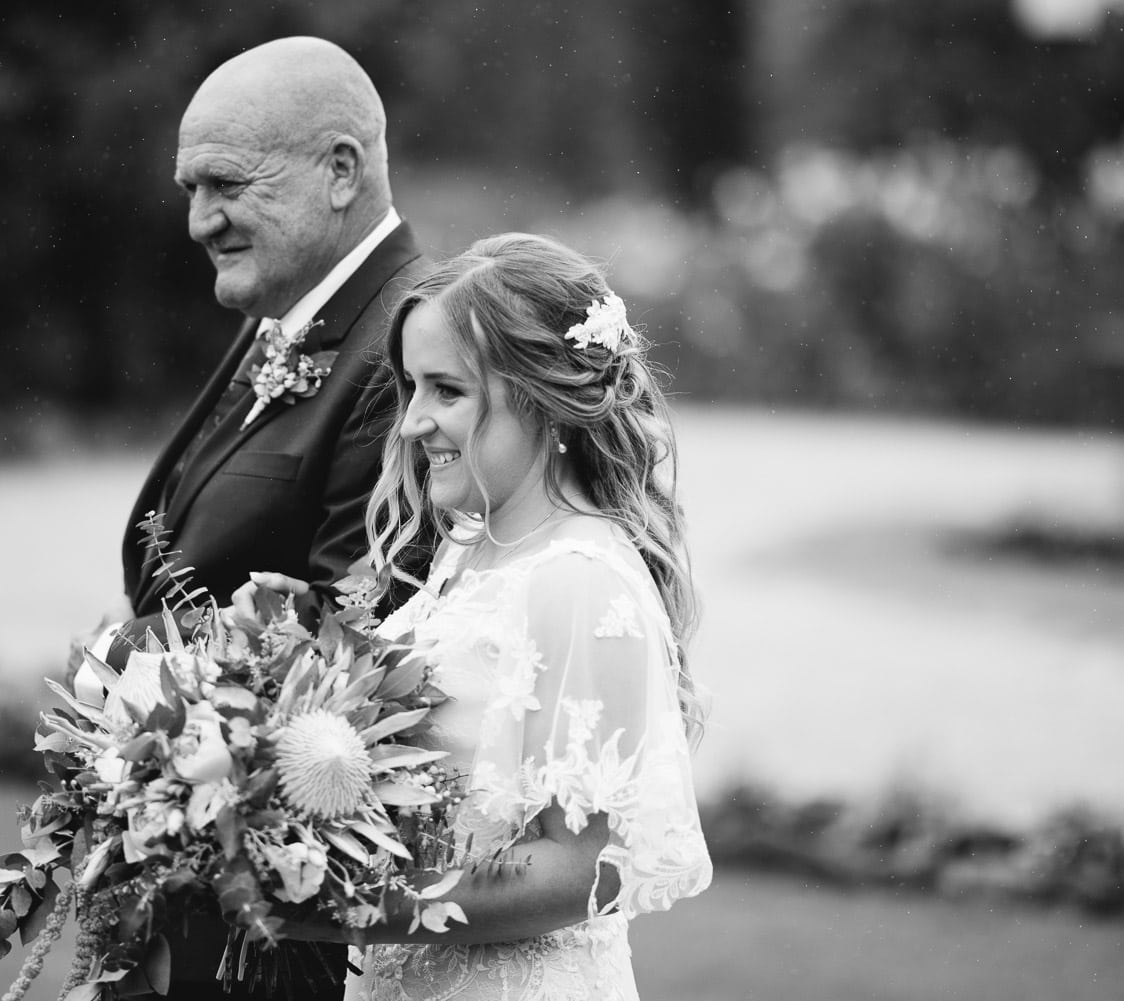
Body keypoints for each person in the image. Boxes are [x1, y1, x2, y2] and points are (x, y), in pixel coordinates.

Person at [239, 233, 713, 1001]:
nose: (411, 423)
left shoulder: (581, 580)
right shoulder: (470, 550)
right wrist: (304, 655)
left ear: (540, 395)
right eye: (411, 387)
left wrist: (348, 904)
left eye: (446, 391)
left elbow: (587, 865)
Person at [78, 35, 431, 1001]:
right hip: (197, 879)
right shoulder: (282, 318)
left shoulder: (412, 343)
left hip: (284, 933)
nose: (198, 221)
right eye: (190, 188)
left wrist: (137, 687)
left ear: (340, 171)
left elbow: (352, 651)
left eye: (225, 183)